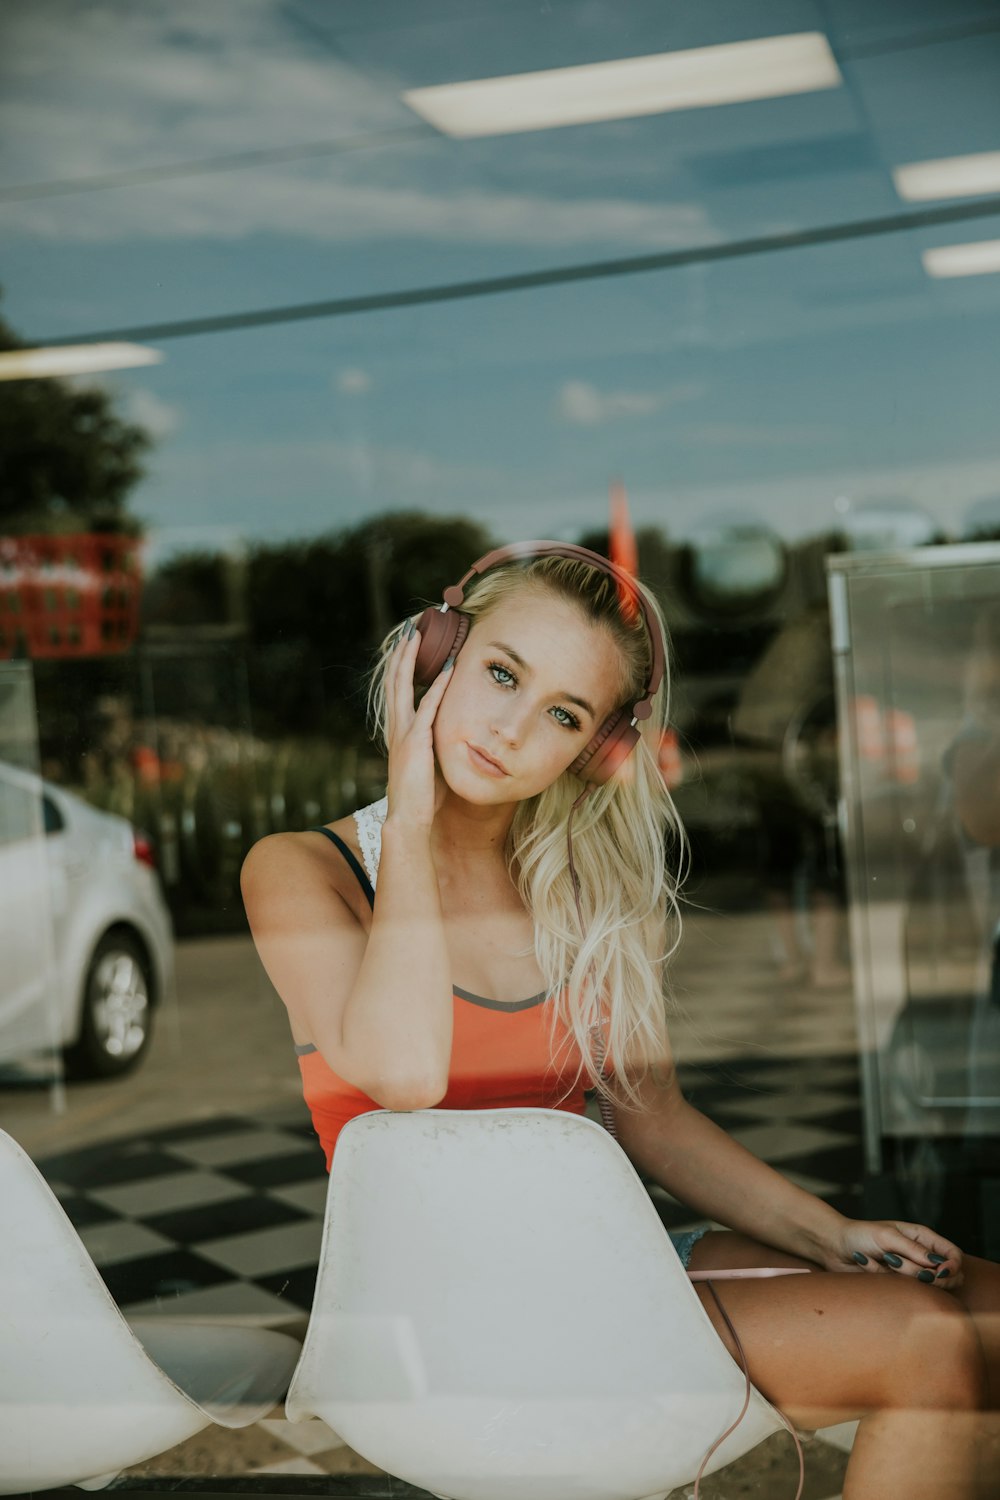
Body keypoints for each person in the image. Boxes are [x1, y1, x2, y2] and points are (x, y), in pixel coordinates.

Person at [242, 542, 1000, 1499]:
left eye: (561, 714)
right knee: (924, 1346)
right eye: (500, 674)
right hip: (463, 1321)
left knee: (987, 1313)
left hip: (619, 1267)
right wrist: (413, 816)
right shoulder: (300, 870)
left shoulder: (584, 886)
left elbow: (652, 1118)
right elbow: (402, 1074)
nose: (512, 728)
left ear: (593, 750)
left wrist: (829, 1233)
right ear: (435, 656)